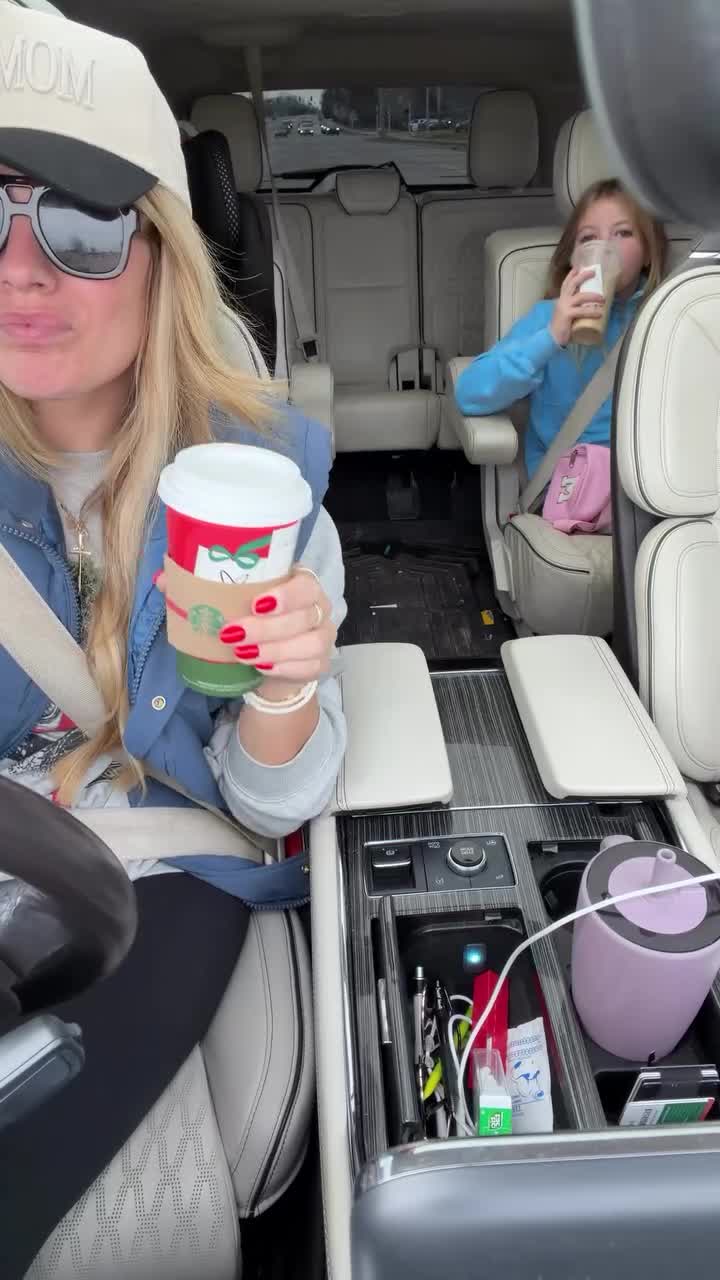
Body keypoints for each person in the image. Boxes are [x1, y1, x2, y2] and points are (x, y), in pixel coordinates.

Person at [0, 5, 345, 1273]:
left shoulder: (261, 486)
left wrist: (284, 689)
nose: (20, 268)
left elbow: (274, 798)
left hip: (170, 867)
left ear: (161, 256)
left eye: (81, 225)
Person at [454, 178, 668, 479]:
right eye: (589, 238)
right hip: (570, 487)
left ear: (648, 252)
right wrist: (550, 339)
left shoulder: (666, 317)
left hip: (648, 482)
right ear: (574, 258)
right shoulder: (549, 318)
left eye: (622, 233)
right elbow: (469, 394)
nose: (605, 248)